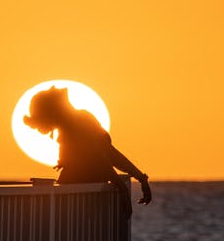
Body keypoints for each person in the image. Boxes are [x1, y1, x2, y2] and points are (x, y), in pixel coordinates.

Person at [23, 86, 152, 217]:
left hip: (78, 200)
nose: (41, 129)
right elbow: (110, 154)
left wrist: (122, 187)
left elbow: (100, 157)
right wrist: (140, 178)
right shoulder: (80, 120)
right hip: (83, 196)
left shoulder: (75, 126)